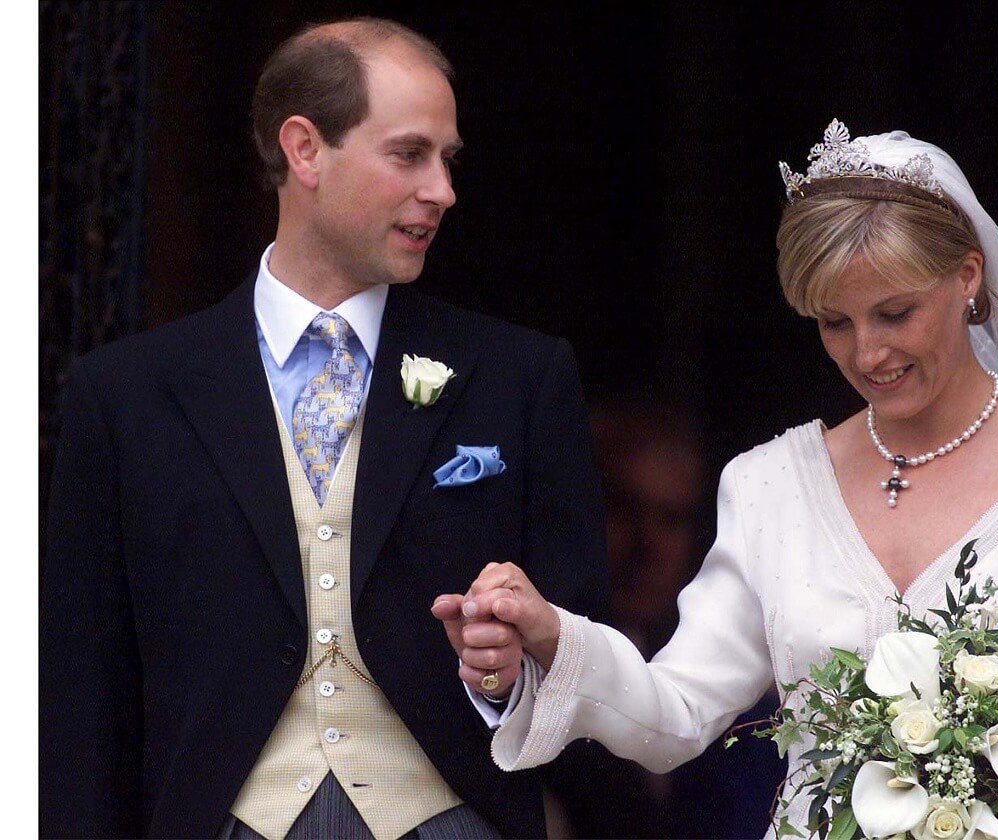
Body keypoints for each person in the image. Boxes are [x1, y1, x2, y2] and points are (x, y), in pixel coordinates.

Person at [437, 120, 998, 836]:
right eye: (834, 322)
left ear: (968, 277)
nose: (868, 352)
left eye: (895, 312)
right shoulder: (770, 487)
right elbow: (678, 709)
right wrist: (553, 639)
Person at [41, 17, 643, 839]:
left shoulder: (518, 376)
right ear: (303, 150)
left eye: (448, 159)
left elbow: (585, 651)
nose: (443, 189)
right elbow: (83, 690)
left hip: (449, 817)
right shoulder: (128, 394)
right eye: (409, 154)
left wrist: (508, 675)